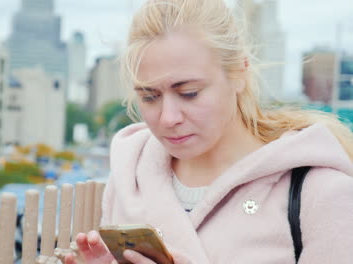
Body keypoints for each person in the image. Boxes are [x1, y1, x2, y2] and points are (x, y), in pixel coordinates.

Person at [65, 0, 353, 263]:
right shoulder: (130, 174)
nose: (168, 118)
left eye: (189, 93)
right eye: (150, 97)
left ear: (239, 73)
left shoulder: (322, 194)